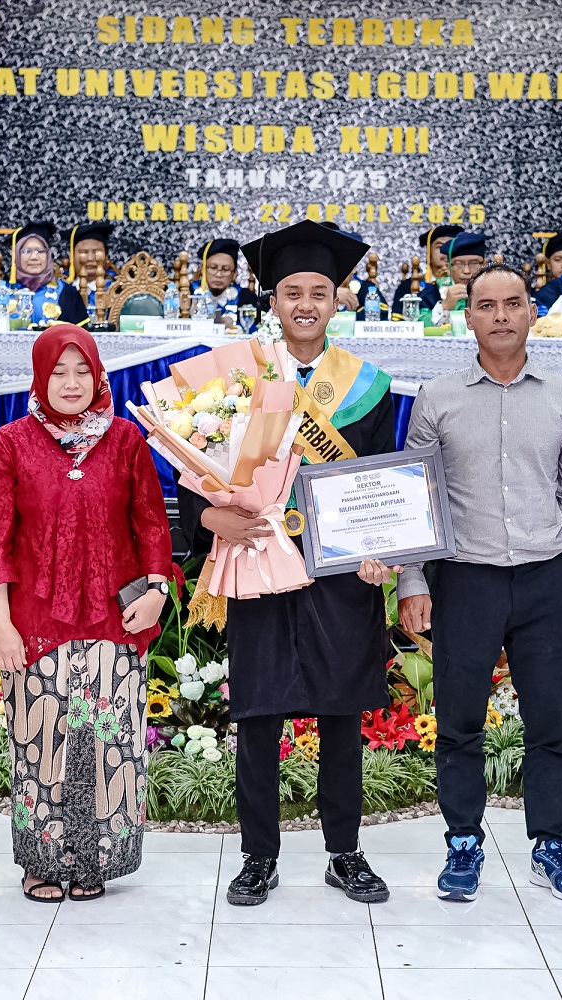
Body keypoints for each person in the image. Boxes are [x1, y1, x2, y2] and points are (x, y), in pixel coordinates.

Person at [178, 219, 396, 907]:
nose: (306, 305)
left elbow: (381, 481)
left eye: (319, 293)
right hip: (258, 558)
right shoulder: (237, 376)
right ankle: (258, 855)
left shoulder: (366, 385)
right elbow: (197, 471)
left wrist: (381, 549)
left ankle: (345, 852)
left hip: (336, 569)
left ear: (337, 301)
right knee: (259, 713)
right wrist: (211, 519)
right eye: (292, 292)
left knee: (341, 713)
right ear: (272, 301)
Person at [396, 262, 562, 903]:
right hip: (465, 582)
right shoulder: (438, 398)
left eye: (514, 303)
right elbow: (417, 498)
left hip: (544, 580)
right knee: (459, 723)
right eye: (487, 305)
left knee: (550, 723)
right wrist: (412, 582)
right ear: (469, 317)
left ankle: (551, 846)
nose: (502, 316)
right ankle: (463, 842)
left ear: (532, 311)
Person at [0, 325, 174, 903]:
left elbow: (151, 524)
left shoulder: (126, 440)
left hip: (116, 618)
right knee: (42, 741)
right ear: (40, 377)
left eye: (81, 371)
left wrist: (157, 590)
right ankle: (41, 861)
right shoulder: (10, 443)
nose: (70, 382)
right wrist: (0, 622)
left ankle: (95, 861)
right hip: (34, 622)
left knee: (109, 743)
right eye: (58, 371)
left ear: (98, 375)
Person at [0, 221, 88, 326]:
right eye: (26, 251)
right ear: (17, 256)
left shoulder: (67, 293)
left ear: (48, 255)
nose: (34, 257)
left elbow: (79, 333)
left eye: (40, 251)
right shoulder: (2, 294)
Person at [418, 231, 488, 327]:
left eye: (474, 263)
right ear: (448, 267)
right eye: (458, 263)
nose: (466, 271)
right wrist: (444, 307)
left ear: (484, 265)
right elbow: (417, 324)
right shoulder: (431, 294)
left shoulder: (497, 291)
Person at [189, 237, 252, 329]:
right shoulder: (188, 293)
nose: (219, 274)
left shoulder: (245, 297)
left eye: (226, 269)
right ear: (203, 269)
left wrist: (233, 326)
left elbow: (253, 328)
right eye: (213, 268)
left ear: (234, 273)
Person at [66, 222, 117, 313]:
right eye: (83, 252)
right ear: (72, 257)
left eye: (96, 252)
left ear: (106, 257)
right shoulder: (62, 289)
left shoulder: (117, 289)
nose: (90, 258)